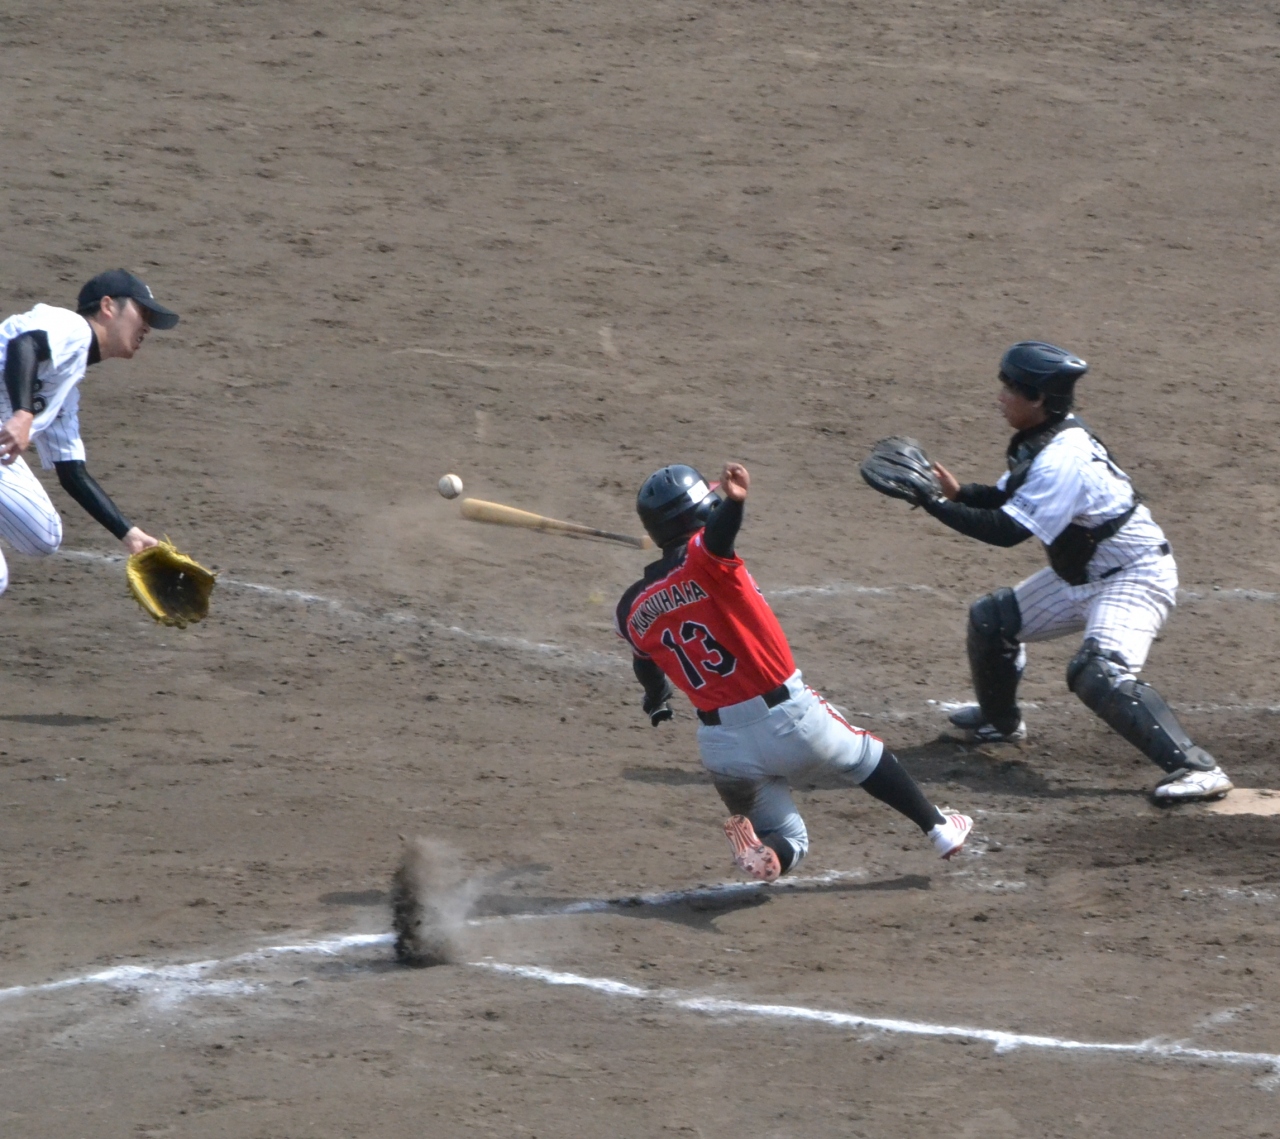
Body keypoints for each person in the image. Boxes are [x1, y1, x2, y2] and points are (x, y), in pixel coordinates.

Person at [615, 461, 972, 881]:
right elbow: (718, 538)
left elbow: (647, 667)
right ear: (699, 510)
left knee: (789, 838)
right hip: (790, 720)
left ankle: (765, 852)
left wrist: (655, 701)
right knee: (863, 755)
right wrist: (735, 502)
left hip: (722, 747)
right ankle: (939, 829)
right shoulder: (704, 560)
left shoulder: (630, 608)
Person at [912, 340, 1230, 802]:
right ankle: (1000, 724)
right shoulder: (1045, 440)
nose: (1000, 396)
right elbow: (1006, 498)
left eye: (1010, 388)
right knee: (992, 619)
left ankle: (1197, 767)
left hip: (1132, 577)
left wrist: (934, 505)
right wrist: (959, 494)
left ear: (1039, 398)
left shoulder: (1064, 458)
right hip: (1082, 574)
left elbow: (1005, 531)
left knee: (1097, 672)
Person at [0, 269, 179, 599]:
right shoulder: (70, 326)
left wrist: (129, 534)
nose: (147, 328)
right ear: (108, 306)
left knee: (44, 536)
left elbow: (72, 473)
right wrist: (24, 413)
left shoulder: (66, 389)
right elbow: (23, 344)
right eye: (143, 314)